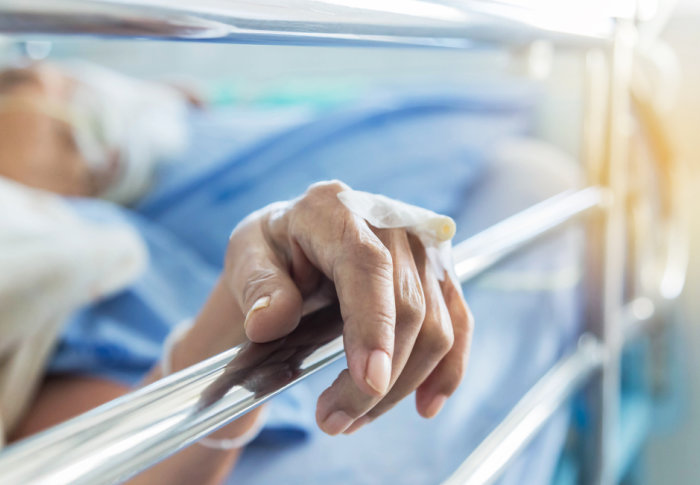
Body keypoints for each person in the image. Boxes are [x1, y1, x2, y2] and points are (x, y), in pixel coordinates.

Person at [0, 63, 472, 484]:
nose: (49, 92)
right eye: (17, 81)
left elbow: (125, 465)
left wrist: (251, 291)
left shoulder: (94, 247)